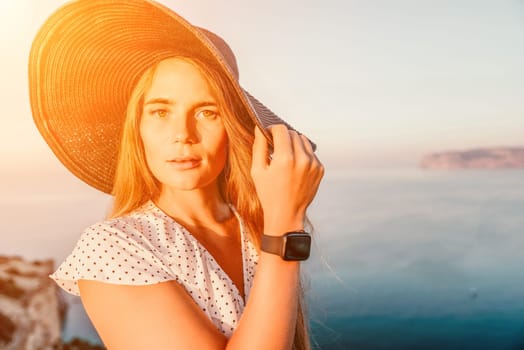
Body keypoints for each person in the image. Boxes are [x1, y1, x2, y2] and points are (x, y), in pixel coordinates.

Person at [29, 1, 323, 349]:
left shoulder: (256, 224)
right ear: (136, 128)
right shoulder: (113, 248)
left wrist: (277, 226)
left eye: (207, 112)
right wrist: (285, 228)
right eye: (160, 111)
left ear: (232, 127)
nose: (182, 133)